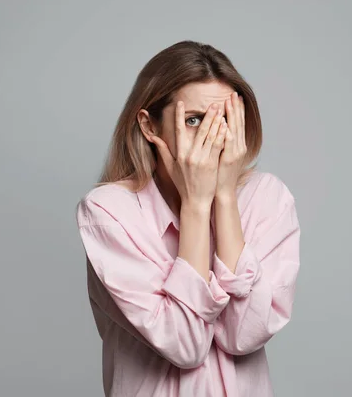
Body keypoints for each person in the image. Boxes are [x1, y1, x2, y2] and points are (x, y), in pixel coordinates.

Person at [75, 40, 301, 397]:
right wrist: (195, 206)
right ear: (150, 126)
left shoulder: (267, 198)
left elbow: (244, 336)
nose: (214, 138)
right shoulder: (108, 212)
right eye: (195, 121)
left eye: (225, 120)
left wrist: (224, 198)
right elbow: (186, 345)